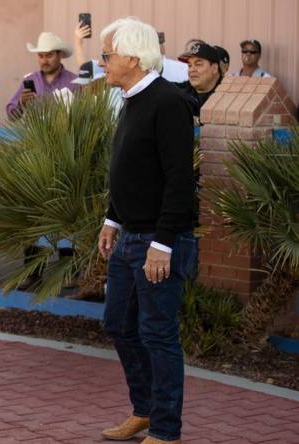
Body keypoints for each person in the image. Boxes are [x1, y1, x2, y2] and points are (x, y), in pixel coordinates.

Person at [97, 17, 197, 444]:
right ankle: (144, 412)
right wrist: (111, 218)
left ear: (132, 58)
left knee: (158, 334)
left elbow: (179, 180)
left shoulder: (168, 102)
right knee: (119, 324)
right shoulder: (130, 98)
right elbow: (131, 169)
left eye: (107, 55)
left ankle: (166, 430)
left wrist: (163, 243)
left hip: (159, 241)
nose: (102, 62)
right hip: (129, 235)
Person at [7, 31, 79, 119]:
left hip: (66, 132)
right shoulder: (30, 79)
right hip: (33, 133)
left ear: (60, 55)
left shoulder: (75, 82)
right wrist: (21, 104)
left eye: (49, 56)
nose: (44, 61)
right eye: (40, 56)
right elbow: (11, 115)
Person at [176, 42, 222, 117]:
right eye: (189, 65)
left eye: (198, 64)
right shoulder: (180, 96)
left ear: (214, 68)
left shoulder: (227, 96)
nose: (191, 70)